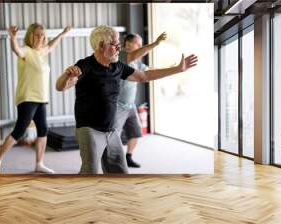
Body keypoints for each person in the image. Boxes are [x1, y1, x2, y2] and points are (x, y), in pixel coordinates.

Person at [56, 25, 197, 174]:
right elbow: (60, 87)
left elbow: (144, 76)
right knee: (90, 172)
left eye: (119, 45)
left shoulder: (118, 67)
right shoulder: (85, 65)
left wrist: (177, 69)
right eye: (115, 45)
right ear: (101, 45)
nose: (119, 49)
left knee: (120, 172)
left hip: (111, 129)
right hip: (89, 129)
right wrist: (67, 76)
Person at [0, 23, 72, 174]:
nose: (40, 38)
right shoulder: (27, 51)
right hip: (28, 97)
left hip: (41, 98)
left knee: (43, 130)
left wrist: (63, 33)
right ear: (30, 36)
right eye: (37, 34)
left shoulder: (41, 53)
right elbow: (16, 50)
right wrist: (12, 38)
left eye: (42, 35)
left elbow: (51, 44)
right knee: (19, 130)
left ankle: (39, 164)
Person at [116, 32, 167, 168]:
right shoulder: (121, 56)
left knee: (135, 132)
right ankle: (109, 161)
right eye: (138, 43)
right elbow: (134, 55)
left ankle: (128, 157)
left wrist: (173, 68)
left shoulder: (137, 62)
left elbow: (149, 70)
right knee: (112, 136)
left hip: (130, 104)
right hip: (117, 105)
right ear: (128, 43)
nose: (140, 46)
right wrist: (155, 44)